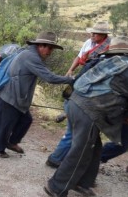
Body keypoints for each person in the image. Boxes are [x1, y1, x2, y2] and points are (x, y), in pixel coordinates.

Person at [45, 36, 128, 197]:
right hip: (90, 110)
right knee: (82, 149)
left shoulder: (107, 61)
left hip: (75, 102)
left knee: (95, 148)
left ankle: (83, 183)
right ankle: (56, 186)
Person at [0, 31, 74, 158]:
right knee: (6, 124)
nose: (50, 52)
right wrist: (70, 79)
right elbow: (49, 77)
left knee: (26, 120)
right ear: (41, 45)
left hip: (14, 96)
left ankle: (11, 142)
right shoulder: (31, 57)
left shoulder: (27, 53)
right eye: (49, 48)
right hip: (10, 96)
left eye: (52, 49)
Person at [46, 21, 111, 168]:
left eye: (95, 33)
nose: (92, 35)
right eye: (92, 32)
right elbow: (79, 56)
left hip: (85, 84)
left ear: (104, 35)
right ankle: (57, 159)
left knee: (74, 129)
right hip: (83, 84)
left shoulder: (108, 48)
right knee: (75, 131)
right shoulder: (90, 42)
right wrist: (70, 70)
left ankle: (58, 157)